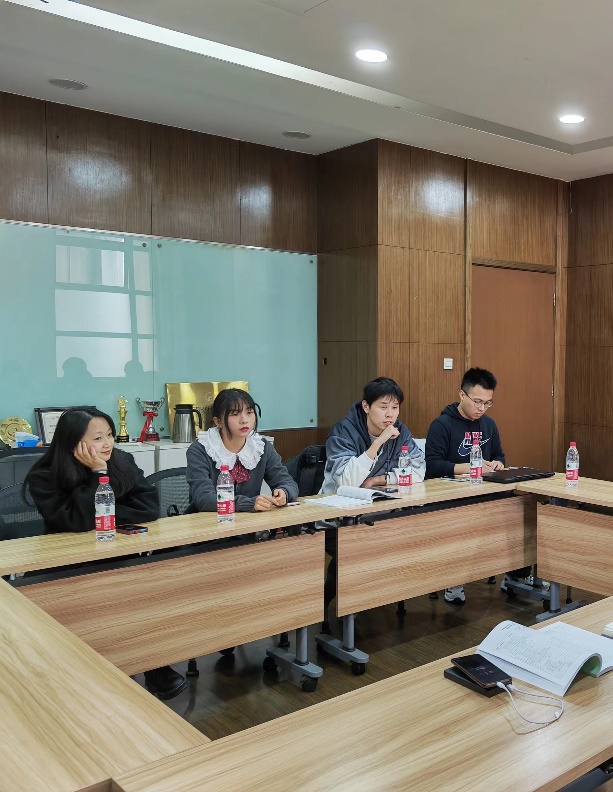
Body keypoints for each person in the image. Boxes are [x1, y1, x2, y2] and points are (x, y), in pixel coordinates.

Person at [24, 407, 188, 701]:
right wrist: (97, 475)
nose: (108, 444)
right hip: (67, 565)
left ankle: (152, 663)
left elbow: (149, 507)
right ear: (73, 442)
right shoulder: (45, 475)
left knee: (145, 590)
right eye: (98, 438)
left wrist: (103, 514)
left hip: (116, 556)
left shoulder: (121, 461)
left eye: (110, 435)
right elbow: (75, 522)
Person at [320, 377, 425, 624]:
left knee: (408, 538)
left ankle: (367, 598)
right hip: (336, 517)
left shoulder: (401, 431)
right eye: (383, 407)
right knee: (357, 548)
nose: (390, 414)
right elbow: (347, 480)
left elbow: (419, 470)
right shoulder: (343, 431)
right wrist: (378, 442)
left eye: (395, 407)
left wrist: (380, 479)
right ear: (366, 406)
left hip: (378, 513)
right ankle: (337, 605)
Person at [425, 367, 526, 604]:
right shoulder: (442, 425)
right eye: (478, 402)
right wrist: (469, 467)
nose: (482, 408)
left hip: (485, 490)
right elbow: (432, 466)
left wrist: (498, 464)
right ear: (462, 395)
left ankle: (515, 575)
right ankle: (454, 579)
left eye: (488, 403)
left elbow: (499, 454)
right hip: (453, 495)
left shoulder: (488, 424)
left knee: (520, 512)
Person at [186, 388, 298, 513]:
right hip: (207, 521)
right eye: (235, 414)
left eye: (249, 412)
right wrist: (248, 504)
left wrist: (284, 492)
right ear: (218, 422)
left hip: (248, 521)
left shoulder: (260, 447)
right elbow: (204, 499)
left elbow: (288, 483)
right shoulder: (201, 449)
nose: (244, 420)